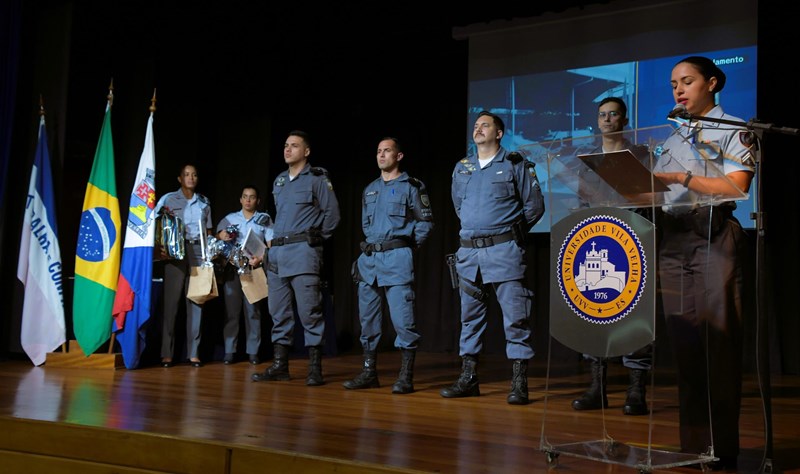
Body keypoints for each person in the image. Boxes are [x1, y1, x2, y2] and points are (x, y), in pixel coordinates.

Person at [652, 56, 755, 471]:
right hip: (673, 240)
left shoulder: (734, 128)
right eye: (674, 83)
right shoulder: (673, 137)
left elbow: (737, 185)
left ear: (711, 83)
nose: (679, 89)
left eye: (688, 81)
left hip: (714, 236)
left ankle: (722, 450)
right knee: (686, 349)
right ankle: (694, 447)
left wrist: (682, 179)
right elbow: (655, 188)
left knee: (718, 345)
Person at [441, 110, 545, 405]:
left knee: (515, 318)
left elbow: (535, 207)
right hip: (469, 254)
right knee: (469, 318)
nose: (478, 128)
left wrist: (509, 233)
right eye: (475, 125)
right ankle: (469, 378)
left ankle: (519, 382)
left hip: (504, 252)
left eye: (485, 125)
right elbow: (459, 206)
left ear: (498, 133)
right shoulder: (462, 167)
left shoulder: (515, 164)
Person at [571, 97, 653, 416]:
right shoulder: (587, 159)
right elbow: (581, 202)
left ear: (624, 119)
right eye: (602, 115)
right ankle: (598, 386)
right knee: (596, 315)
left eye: (613, 114)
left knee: (634, 318)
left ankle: (636, 389)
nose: (606, 119)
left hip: (631, 243)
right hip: (596, 240)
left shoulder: (642, 155)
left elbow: (652, 198)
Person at [344, 137, 434, 394]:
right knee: (368, 321)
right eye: (378, 151)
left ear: (399, 156)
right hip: (369, 262)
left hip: (396, 260)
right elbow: (366, 227)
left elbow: (425, 224)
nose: (382, 155)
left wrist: (403, 247)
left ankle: (406, 376)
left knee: (403, 320)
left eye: (387, 151)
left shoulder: (412, 186)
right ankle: (369, 372)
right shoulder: (369, 189)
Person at [252, 130, 341, 386]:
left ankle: (315, 367)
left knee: (309, 311)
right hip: (277, 255)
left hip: (303, 253)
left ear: (306, 151)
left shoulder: (316, 178)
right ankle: (281, 365)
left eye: (294, 146)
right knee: (278, 312)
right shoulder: (279, 180)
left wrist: (315, 239)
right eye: (285, 145)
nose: (287, 149)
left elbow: (332, 215)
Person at [155, 164, 213, 368]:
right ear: (180, 178)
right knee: (171, 304)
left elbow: (208, 232)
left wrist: (209, 256)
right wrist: (158, 249)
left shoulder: (204, 202)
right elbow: (155, 224)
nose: (191, 178)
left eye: (194, 174)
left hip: (197, 252)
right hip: (175, 253)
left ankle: (194, 353)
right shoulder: (168, 199)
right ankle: (167, 353)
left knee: (196, 302)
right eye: (187, 174)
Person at [216, 185, 274, 365]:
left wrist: (261, 258)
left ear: (257, 200)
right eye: (245, 196)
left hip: (253, 269)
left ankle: (253, 352)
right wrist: (222, 235)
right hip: (233, 270)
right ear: (240, 199)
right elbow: (217, 237)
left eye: (252, 197)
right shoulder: (230, 218)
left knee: (253, 312)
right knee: (232, 312)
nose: (248, 200)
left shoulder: (264, 219)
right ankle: (230, 351)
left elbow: (271, 244)